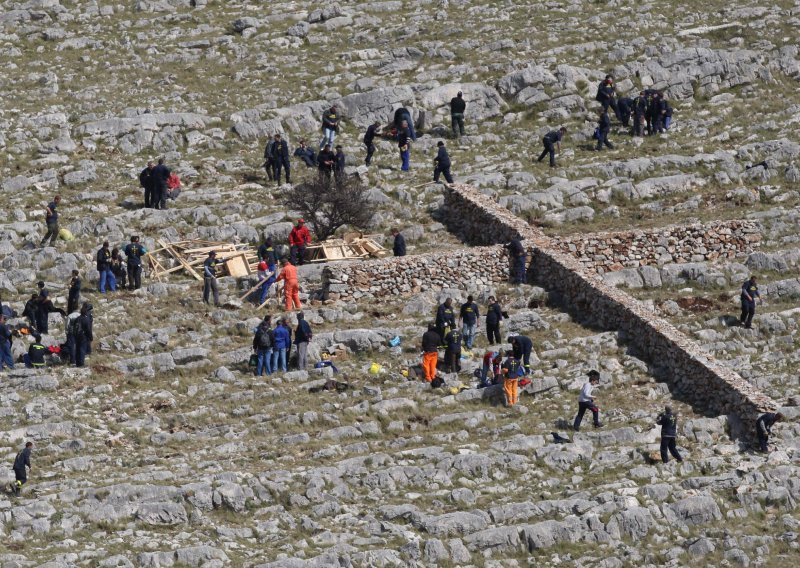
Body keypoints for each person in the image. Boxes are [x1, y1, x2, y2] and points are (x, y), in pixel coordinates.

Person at [257, 238, 277, 304]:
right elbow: (259, 252)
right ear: (267, 241)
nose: (271, 244)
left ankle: (268, 285)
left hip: (272, 263)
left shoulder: (272, 246)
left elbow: (275, 253)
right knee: (269, 278)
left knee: (273, 277)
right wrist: (260, 259)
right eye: (270, 242)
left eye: (271, 243)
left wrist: (277, 260)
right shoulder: (263, 246)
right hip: (267, 264)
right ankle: (266, 286)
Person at [74, 303, 93, 367]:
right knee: (82, 349)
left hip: (77, 335)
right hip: (83, 336)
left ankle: (77, 363)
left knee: (77, 349)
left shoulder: (77, 319)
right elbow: (88, 329)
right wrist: (90, 337)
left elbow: (74, 327)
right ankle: (81, 363)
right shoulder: (86, 319)